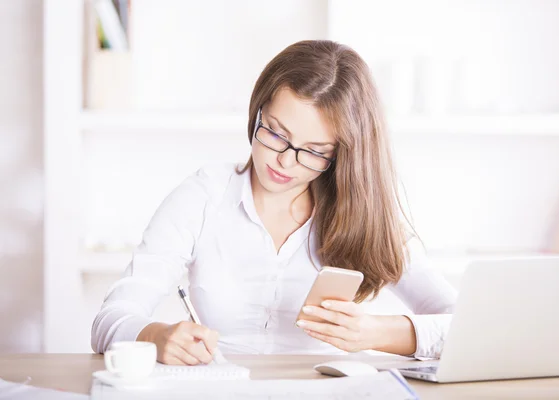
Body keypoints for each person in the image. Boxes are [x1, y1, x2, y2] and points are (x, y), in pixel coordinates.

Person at [91, 40, 457, 365]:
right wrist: (155, 337)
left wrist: (376, 333)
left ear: (343, 156)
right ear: (257, 111)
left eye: (314, 152)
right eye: (276, 134)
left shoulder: (365, 214)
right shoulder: (204, 196)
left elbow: (464, 325)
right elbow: (110, 320)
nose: (285, 161)